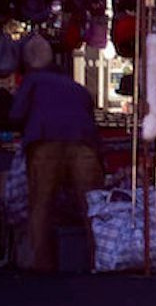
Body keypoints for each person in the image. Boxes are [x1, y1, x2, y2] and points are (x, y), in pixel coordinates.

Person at [10, 35, 101, 272]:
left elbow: (16, 114)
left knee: (41, 203)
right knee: (91, 206)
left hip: (45, 142)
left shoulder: (32, 81)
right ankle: (97, 260)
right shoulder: (77, 88)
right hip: (82, 143)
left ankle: (42, 264)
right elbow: (90, 119)